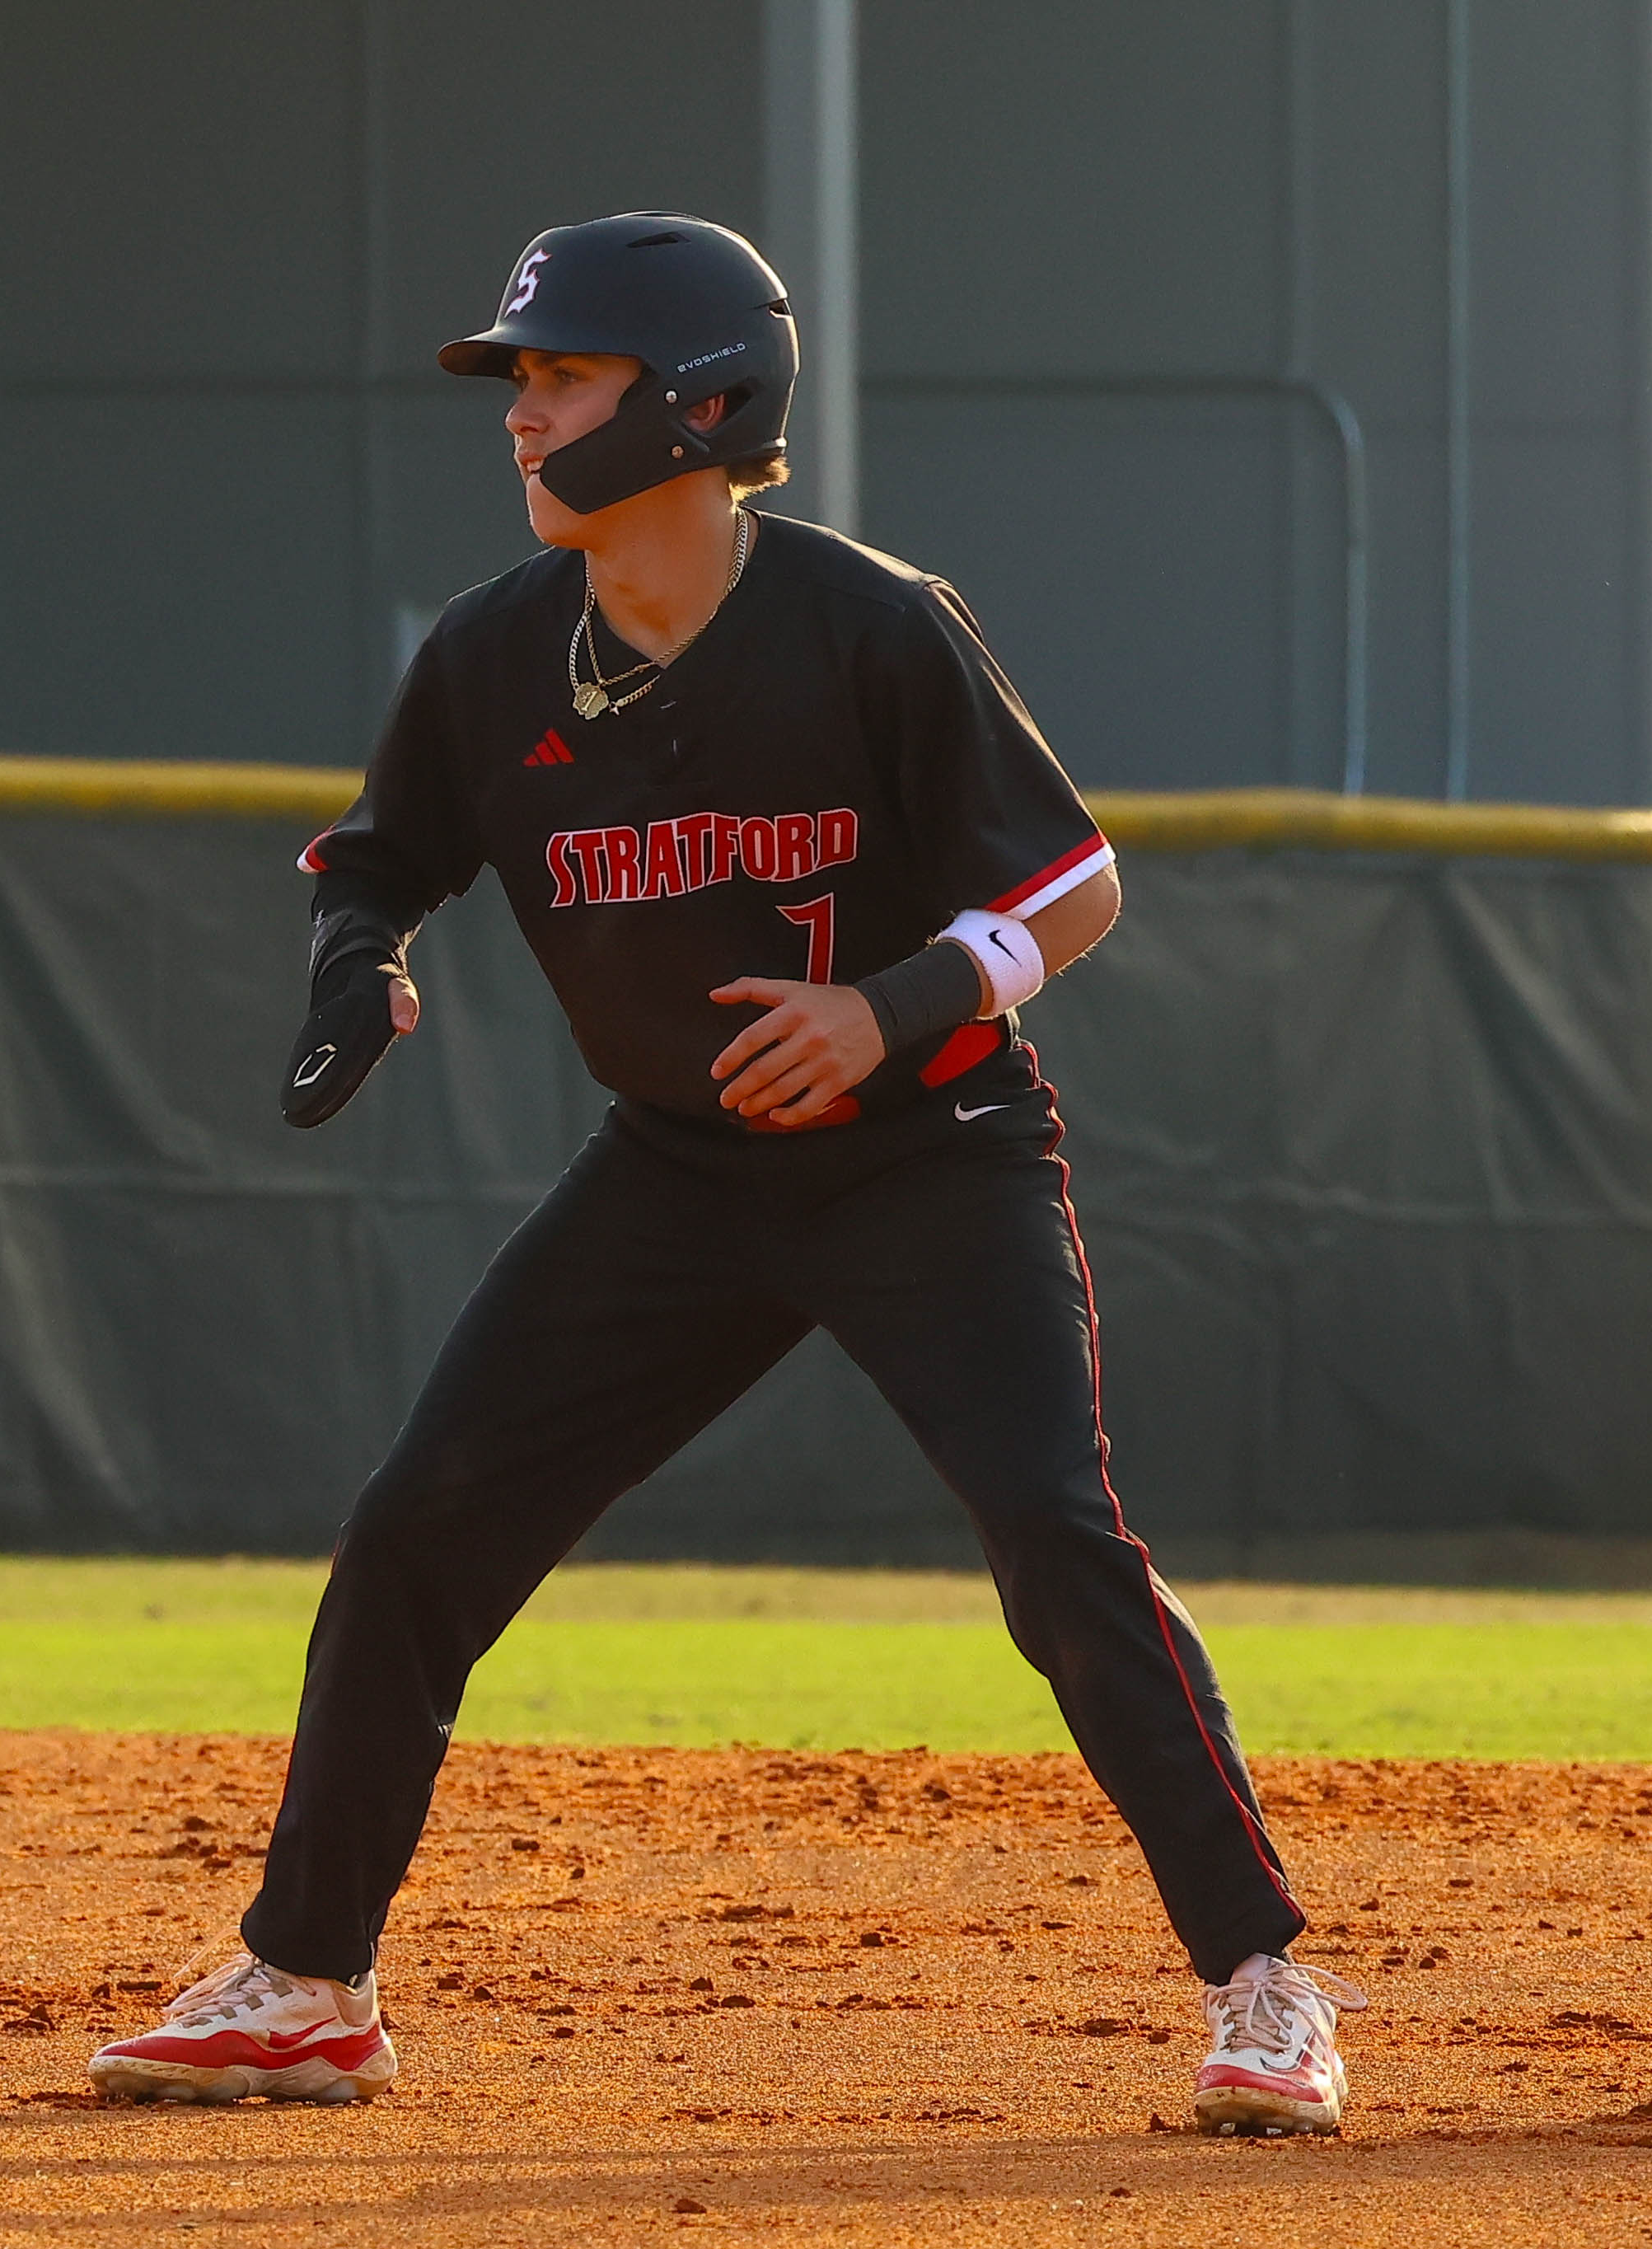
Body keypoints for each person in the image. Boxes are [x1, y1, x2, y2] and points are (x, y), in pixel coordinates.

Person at [89, 213, 1360, 2135]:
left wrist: (894, 1004)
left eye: (562, 376)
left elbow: (1071, 882)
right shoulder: (501, 648)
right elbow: (382, 849)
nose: (523, 418)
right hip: (677, 1172)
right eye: (520, 381)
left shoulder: (870, 619)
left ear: (700, 404)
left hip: (928, 1152)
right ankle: (308, 1983)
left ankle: (1267, 1980)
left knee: (1054, 1538)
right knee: (423, 1521)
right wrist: (364, 963)